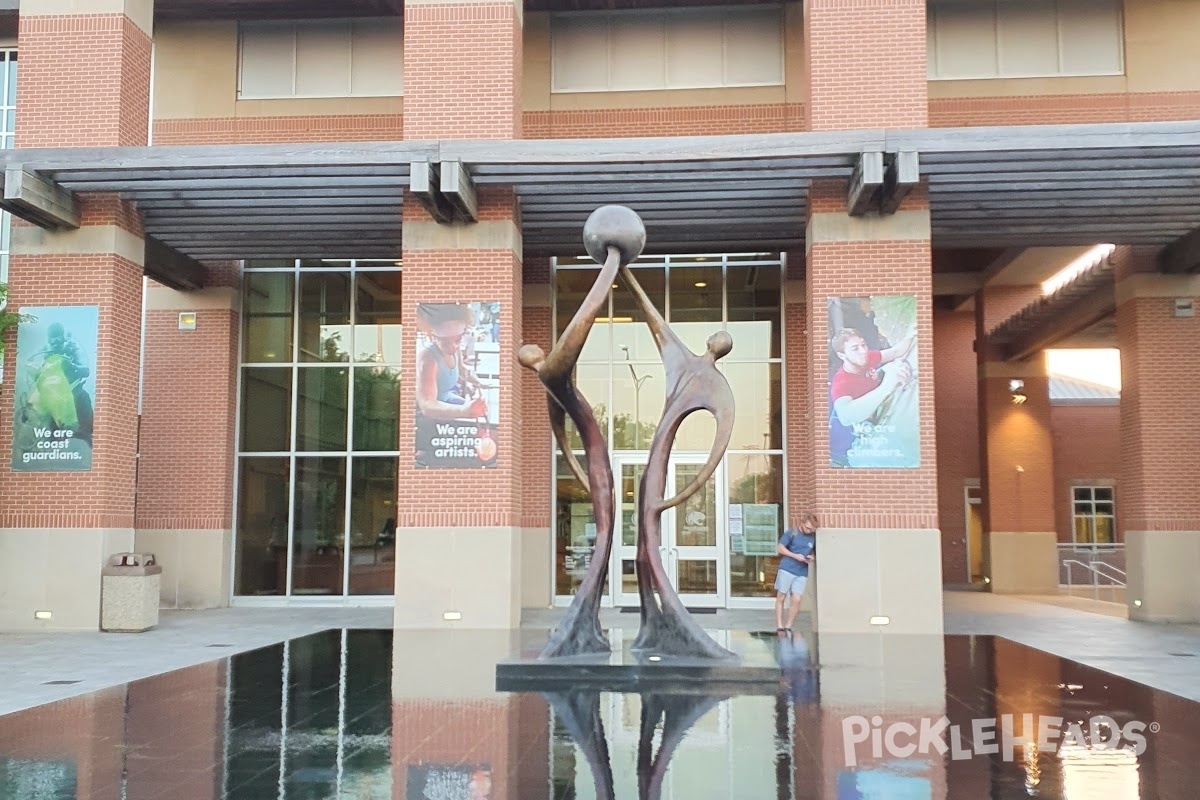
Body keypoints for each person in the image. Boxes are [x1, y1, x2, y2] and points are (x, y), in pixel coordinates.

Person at [828, 327, 914, 468]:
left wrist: (913, 332)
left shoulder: (867, 358)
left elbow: (896, 351)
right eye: (855, 348)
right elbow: (846, 417)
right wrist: (887, 385)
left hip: (882, 417)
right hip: (856, 442)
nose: (863, 351)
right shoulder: (841, 382)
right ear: (842, 355)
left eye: (864, 345)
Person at [415, 304, 487, 421]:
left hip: (447, 399)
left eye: (457, 340)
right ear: (434, 338)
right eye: (446, 342)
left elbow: (462, 370)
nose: (454, 346)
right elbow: (427, 405)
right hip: (428, 416)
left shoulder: (454, 349)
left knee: (482, 413)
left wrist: (479, 382)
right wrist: (463, 411)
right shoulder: (428, 358)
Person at [775, 513, 817, 633]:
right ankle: (779, 624)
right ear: (802, 523)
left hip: (802, 571)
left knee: (797, 599)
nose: (809, 531)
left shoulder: (813, 537)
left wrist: (811, 557)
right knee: (781, 596)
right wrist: (794, 556)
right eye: (808, 528)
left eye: (812, 529)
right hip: (787, 568)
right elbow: (780, 548)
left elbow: (814, 552)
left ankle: (788, 625)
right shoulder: (792, 533)